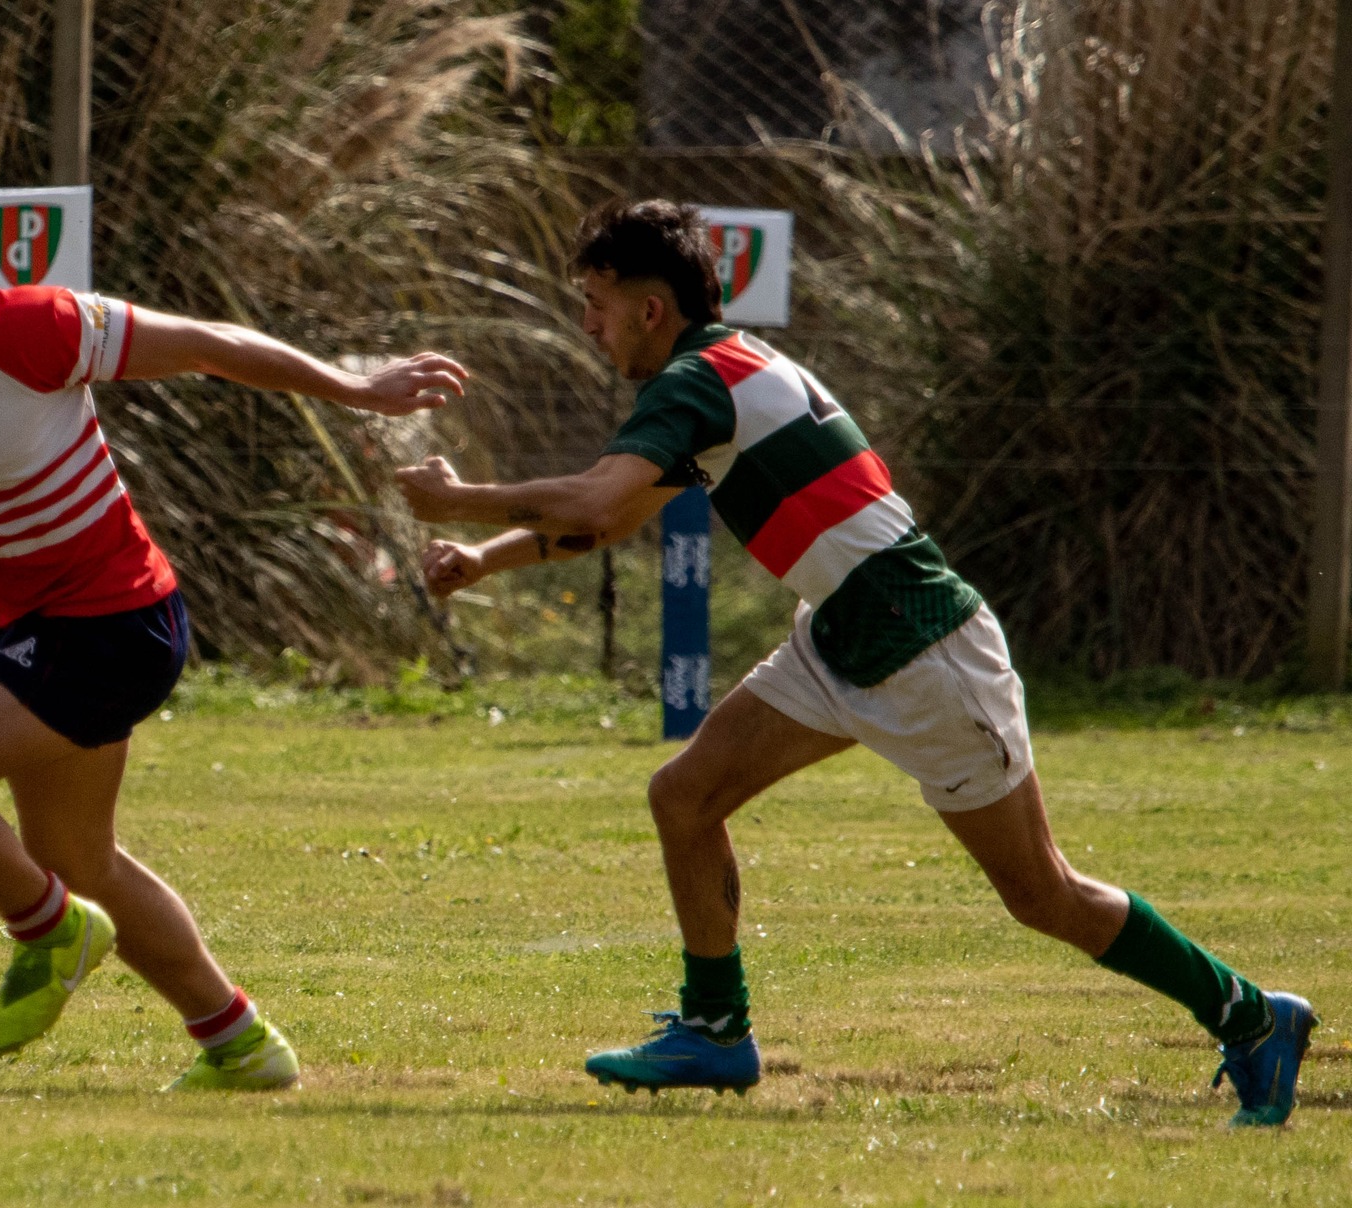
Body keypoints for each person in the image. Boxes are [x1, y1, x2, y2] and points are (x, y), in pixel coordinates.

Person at [393, 199, 1314, 1127]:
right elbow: (617, 516)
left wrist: (459, 500)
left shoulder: (691, 381)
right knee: (684, 795)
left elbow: (593, 504)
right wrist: (483, 558)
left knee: (1042, 893)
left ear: (652, 307)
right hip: (841, 630)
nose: (587, 324)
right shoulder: (727, 367)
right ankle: (716, 1032)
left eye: (595, 301)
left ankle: (1251, 1015)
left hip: (921, 646)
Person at [0, 174, 466, 1090]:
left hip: (117, 619)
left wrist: (354, 386)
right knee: (78, 857)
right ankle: (239, 1042)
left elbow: (208, 344)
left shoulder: (28, 328)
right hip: (42, 630)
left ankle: (52, 929)